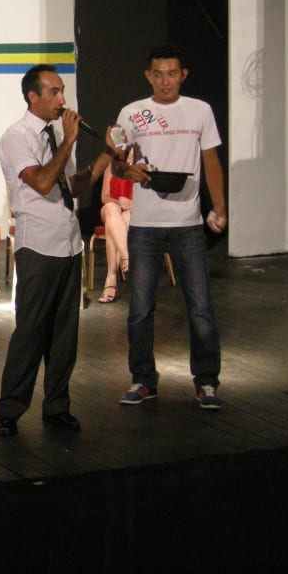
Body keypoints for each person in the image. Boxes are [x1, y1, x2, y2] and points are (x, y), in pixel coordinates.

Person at [0, 64, 132, 437]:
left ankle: (57, 407)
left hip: (69, 245)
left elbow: (71, 186)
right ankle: (10, 410)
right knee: (31, 332)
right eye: (54, 92)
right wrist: (70, 140)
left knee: (64, 335)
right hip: (38, 246)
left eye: (62, 92)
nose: (62, 100)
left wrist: (106, 154)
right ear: (33, 97)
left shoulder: (56, 134)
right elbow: (42, 182)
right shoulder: (16, 137)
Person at [115, 44, 227, 410]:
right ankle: (143, 380)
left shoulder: (199, 110)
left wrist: (220, 206)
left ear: (183, 75)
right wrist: (127, 170)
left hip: (188, 224)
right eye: (159, 74)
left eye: (173, 74)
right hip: (144, 224)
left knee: (201, 308)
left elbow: (211, 161)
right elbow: (117, 163)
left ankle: (207, 381)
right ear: (149, 76)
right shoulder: (132, 113)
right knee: (140, 309)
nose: (166, 81)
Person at [97, 148, 135, 303]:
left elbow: (148, 198)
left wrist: (131, 204)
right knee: (111, 209)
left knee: (117, 223)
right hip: (112, 208)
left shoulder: (142, 166)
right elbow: (105, 196)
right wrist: (118, 203)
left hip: (132, 211)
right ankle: (126, 256)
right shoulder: (112, 165)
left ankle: (111, 279)